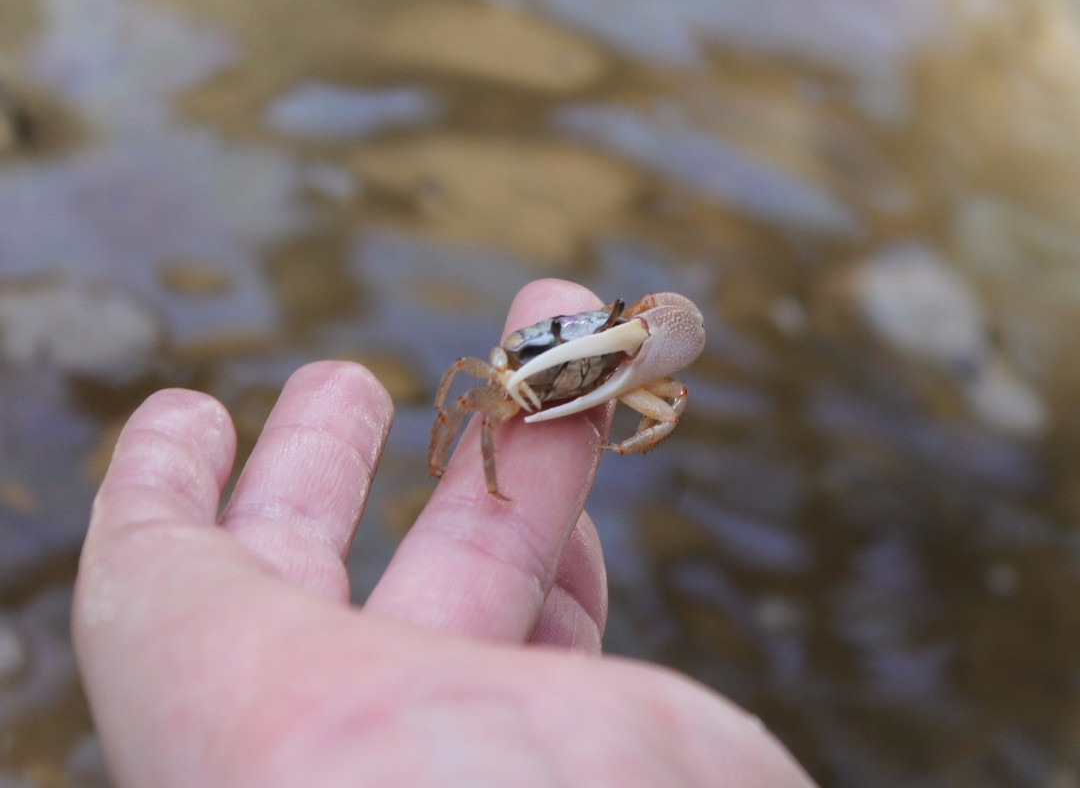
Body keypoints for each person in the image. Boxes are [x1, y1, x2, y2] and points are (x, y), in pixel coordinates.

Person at [72, 279, 816, 787]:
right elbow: (457, 396)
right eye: (570, 334)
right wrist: (471, 468)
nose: (580, 333)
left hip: (611, 373)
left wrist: (620, 357)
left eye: (607, 325)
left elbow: (677, 363)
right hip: (524, 384)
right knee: (473, 411)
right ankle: (475, 476)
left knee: (660, 405)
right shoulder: (495, 379)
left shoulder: (631, 344)